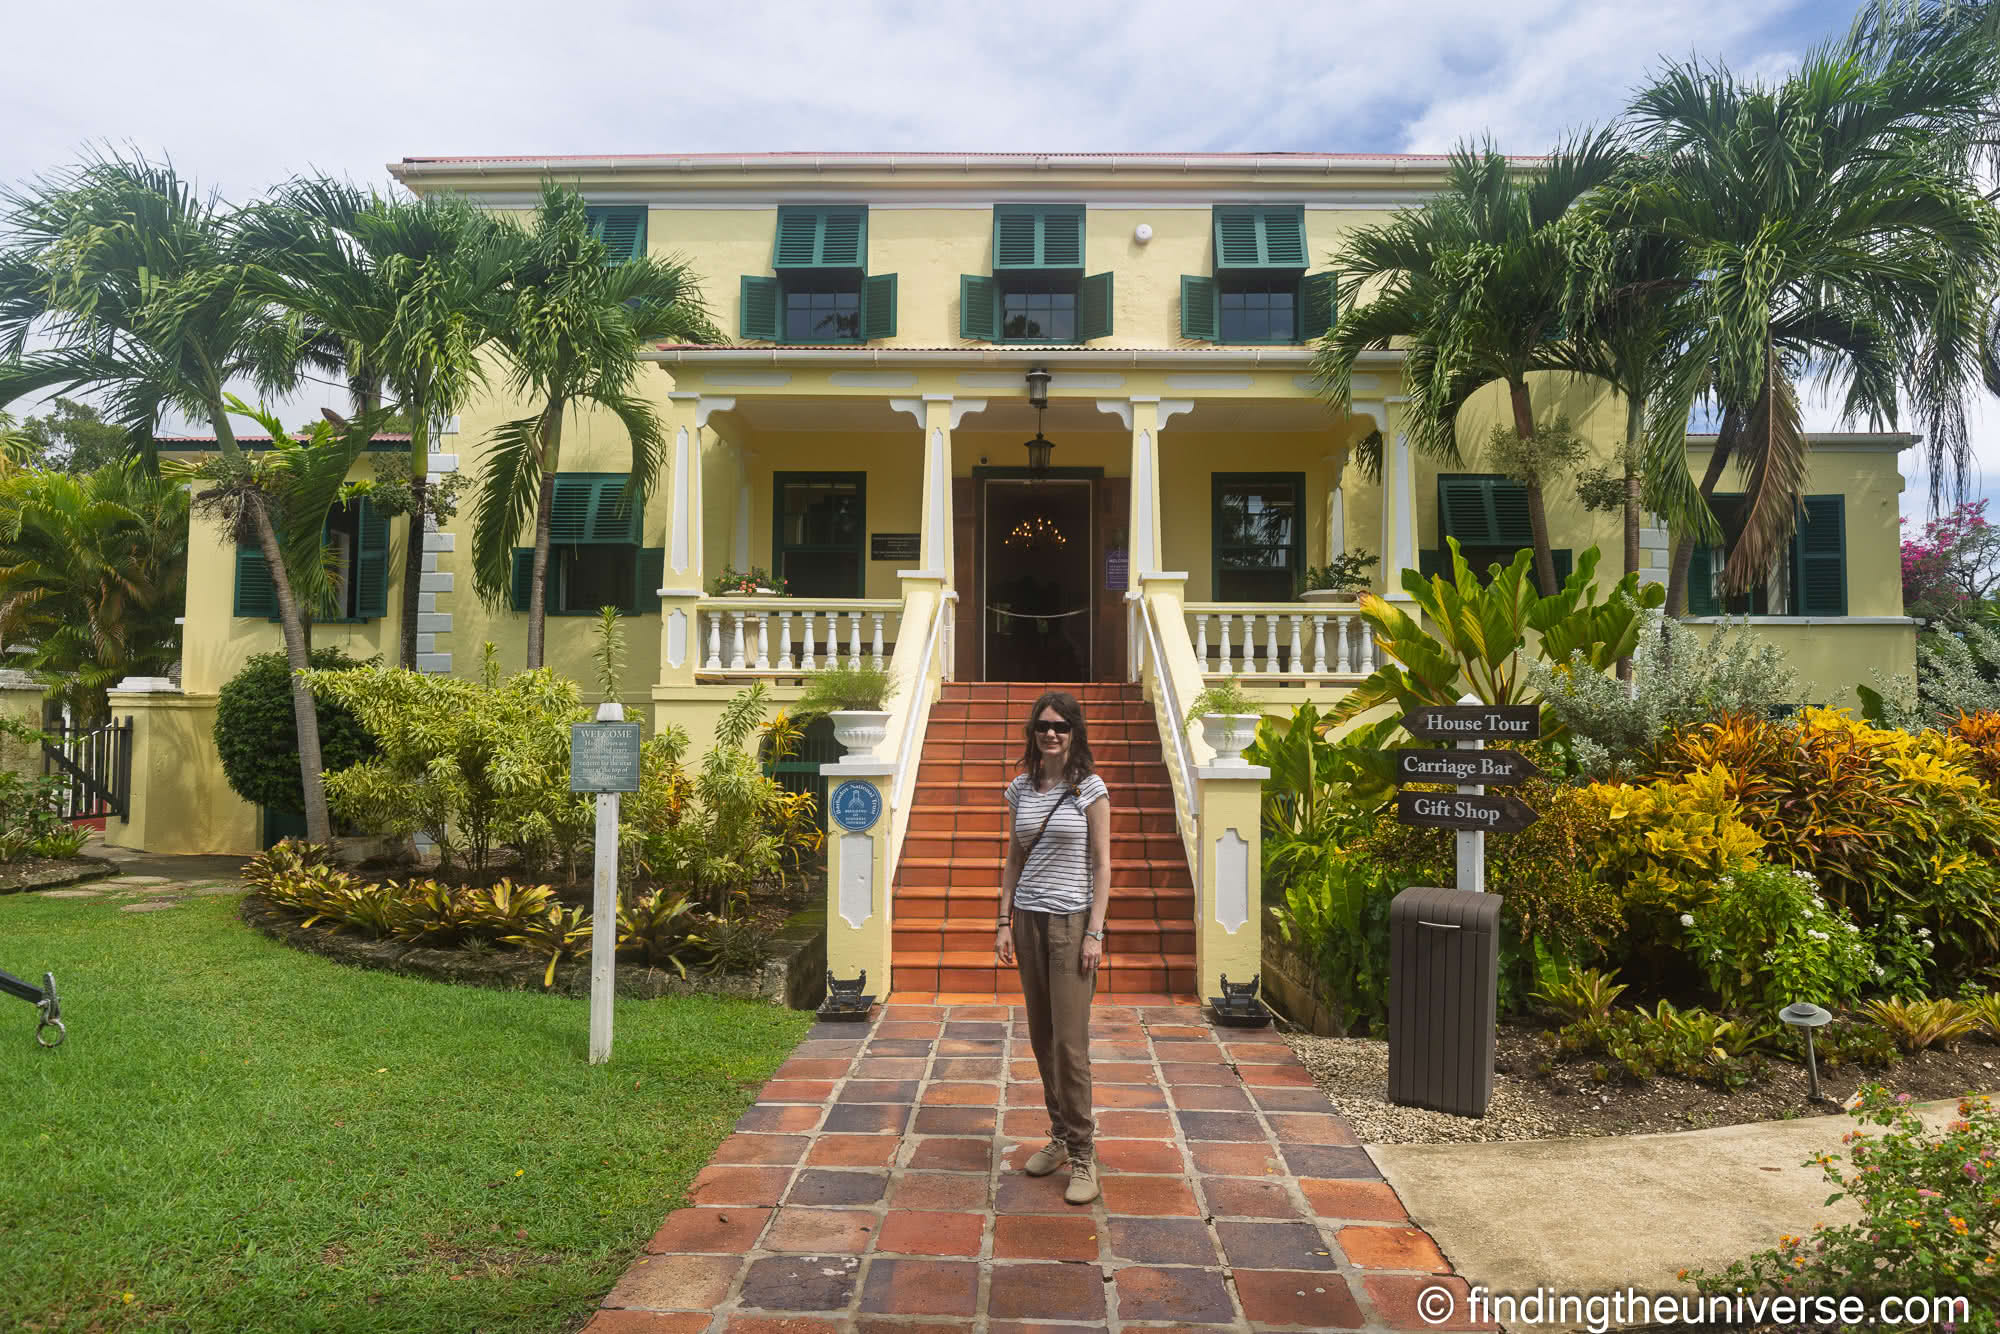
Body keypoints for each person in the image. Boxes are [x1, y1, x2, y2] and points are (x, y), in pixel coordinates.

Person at [995, 690, 1112, 1205]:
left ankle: (1085, 1153)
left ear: (1074, 733)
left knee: (1070, 1045)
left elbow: (1104, 866)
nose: (1050, 734)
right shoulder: (1021, 788)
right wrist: (1004, 922)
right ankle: (1061, 1136)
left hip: (1071, 923)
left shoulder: (1089, 789)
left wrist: (1095, 932)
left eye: (1061, 727)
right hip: (1029, 922)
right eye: (1043, 726)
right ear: (1033, 732)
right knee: (1041, 1038)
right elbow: (1013, 861)